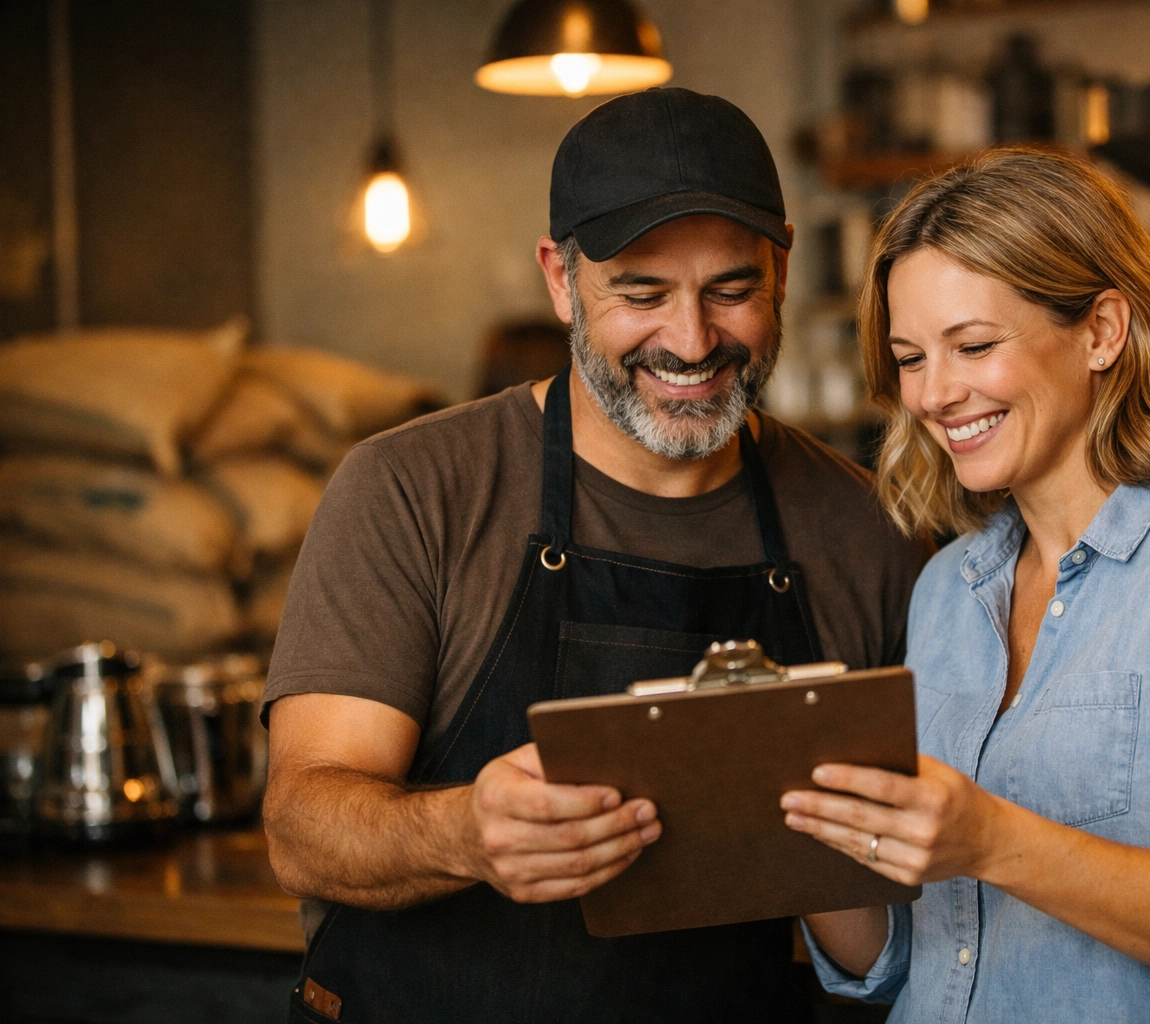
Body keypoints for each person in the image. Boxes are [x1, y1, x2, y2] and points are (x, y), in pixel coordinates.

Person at [260, 88, 929, 1024]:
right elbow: (301, 828)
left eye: (731, 289)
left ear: (781, 268)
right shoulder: (412, 489)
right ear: (562, 279)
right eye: (642, 293)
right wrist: (464, 833)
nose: (691, 341)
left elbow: (896, 899)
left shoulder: (864, 531)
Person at [782, 148, 1150, 1022]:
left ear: (1102, 330)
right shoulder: (951, 587)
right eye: (911, 358)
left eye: (973, 346)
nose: (935, 394)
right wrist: (795, 833)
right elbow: (913, 956)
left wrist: (992, 839)